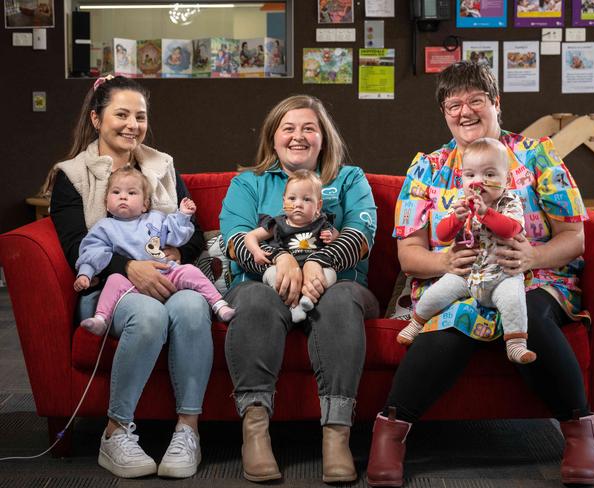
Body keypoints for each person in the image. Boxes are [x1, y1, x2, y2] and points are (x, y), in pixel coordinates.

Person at [366, 61, 594, 487]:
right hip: (459, 284)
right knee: (453, 321)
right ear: (444, 113)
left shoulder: (535, 155)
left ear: (496, 103)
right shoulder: (427, 169)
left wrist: (533, 256)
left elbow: (575, 237)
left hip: (534, 279)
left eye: (476, 100)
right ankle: (391, 434)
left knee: (529, 310)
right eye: (454, 104)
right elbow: (409, 254)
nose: (465, 111)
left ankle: (580, 430)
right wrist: (444, 263)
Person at [42, 75, 212, 479]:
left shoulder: (162, 166)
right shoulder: (72, 175)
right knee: (147, 316)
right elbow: (74, 246)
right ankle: (116, 432)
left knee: (191, 308)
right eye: (121, 114)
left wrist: (174, 253)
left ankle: (188, 432)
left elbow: (195, 237)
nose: (132, 124)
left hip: (168, 278)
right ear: (97, 119)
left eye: (140, 116)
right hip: (107, 288)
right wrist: (128, 266)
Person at [220, 94, 379, 483]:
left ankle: (336, 438)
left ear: (323, 137)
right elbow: (235, 240)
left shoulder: (349, 178)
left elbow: (361, 235)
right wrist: (280, 260)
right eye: (288, 128)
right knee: (255, 298)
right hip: (263, 286)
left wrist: (318, 263)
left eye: (309, 128)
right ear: (273, 137)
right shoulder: (248, 182)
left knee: (340, 299)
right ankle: (255, 435)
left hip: (335, 287)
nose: (298, 136)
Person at [396, 138, 536, 364]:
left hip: (502, 274)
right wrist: (455, 219)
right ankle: (415, 323)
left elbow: (511, 229)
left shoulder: (510, 201)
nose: (478, 182)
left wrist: (484, 214)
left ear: (506, 179)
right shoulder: (462, 203)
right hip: (467, 273)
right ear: (463, 179)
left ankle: (516, 344)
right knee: (436, 294)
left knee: (515, 301)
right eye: (471, 175)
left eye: (489, 175)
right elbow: (443, 235)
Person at [74, 166, 234, 335]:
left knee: (190, 271)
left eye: (131, 193)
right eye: (116, 192)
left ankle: (219, 304)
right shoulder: (104, 227)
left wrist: (183, 215)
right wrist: (85, 274)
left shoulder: (155, 218)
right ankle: (101, 319)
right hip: (129, 282)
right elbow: (93, 252)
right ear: (106, 203)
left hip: (167, 274)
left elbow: (175, 233)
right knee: (113, 280)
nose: (123, 196)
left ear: (145, 204)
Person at [244, 169, 339, 323]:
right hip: (285, 270)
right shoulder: (277, 224)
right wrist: (256, 251)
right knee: (270, 273)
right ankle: (293, 305)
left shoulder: (321, 222)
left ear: (318, 205)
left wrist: (331, 236)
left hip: (312, 272)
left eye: (307, 199)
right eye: (292, 198)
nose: (298, 204)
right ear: (284, 202)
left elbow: (338, 236)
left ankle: (307, 299)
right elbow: (250, 236)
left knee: (330, 274)